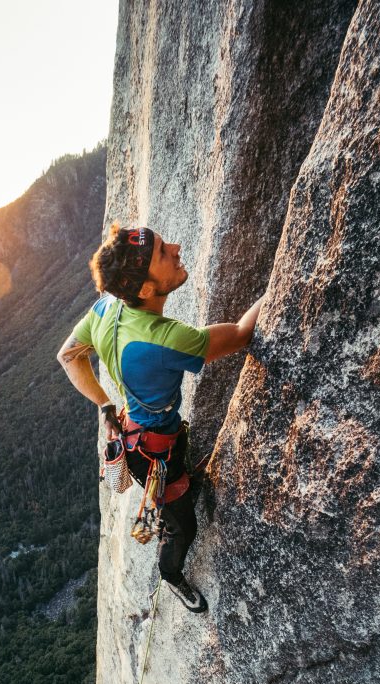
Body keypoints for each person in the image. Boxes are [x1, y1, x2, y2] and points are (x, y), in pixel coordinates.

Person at [57, 224, 263, 612]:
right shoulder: (166, 338)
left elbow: (68, 356)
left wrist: (104, 404)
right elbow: (240, 333)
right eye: (165, 253)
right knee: (183, 527)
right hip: (153, 453)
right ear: (147, 290)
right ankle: (171, 576)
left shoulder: (106, 307)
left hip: (148, 439)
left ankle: (173, 496)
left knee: (173, 476)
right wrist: (281, 284)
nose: (177, 246)